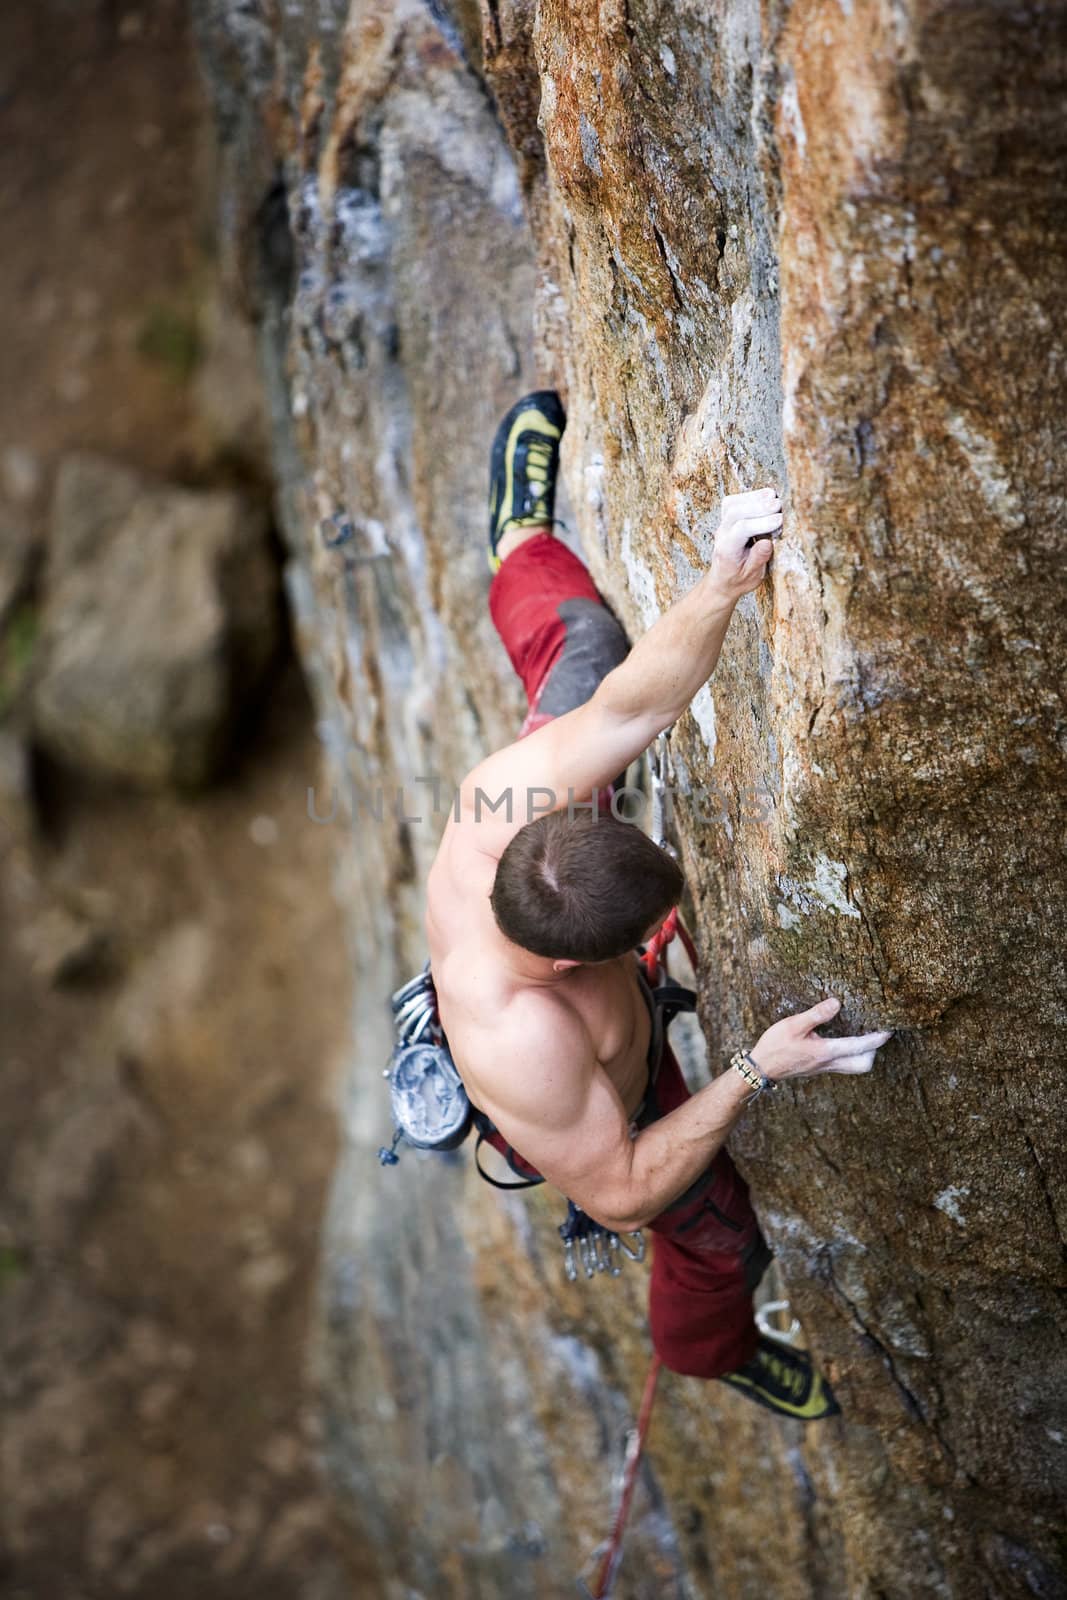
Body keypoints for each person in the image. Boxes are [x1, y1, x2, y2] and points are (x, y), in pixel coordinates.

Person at [425, 392, 892, 1419]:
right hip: (615, 1105)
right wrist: (749, 1069)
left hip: (564, 916)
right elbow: (620, 1189)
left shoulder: (500, 807)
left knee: (583, 647)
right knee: (721, 1234)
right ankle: (708, 1352)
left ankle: (520, 539)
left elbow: (633, 705)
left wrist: (721, 581)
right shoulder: (527, 1046)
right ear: (571, 965)